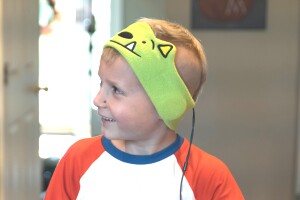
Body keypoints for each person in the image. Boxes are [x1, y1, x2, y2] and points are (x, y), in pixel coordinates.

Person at [44, 18, 244, 200]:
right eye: (101, 84)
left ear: (167, 106)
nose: (97, 100)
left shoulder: (208, 176)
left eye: (116, 90)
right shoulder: (78, 159)